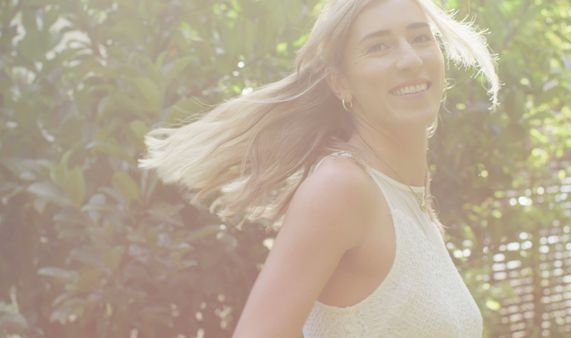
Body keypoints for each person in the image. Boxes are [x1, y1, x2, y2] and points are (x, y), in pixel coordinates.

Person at [139, 0, 500, 336]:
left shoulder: (409, 197)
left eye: (420, 38)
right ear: (340, 82)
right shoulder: (342, 188)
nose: (409, 59)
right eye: (379, 46)